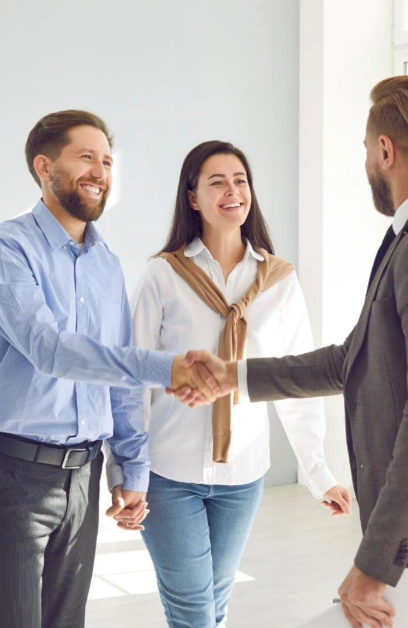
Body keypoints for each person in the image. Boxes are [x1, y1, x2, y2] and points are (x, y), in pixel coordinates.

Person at [180, 76, 408, 628]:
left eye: (368, 148)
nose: (367, 159)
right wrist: (235, 375)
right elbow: (354, 360)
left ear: (385, 150)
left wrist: (375, 563)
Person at [0, 110, 217, 628]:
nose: (100, 170)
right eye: (85, 157)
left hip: (83, 475)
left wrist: (131, 468)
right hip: (10, 474)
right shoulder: (6, 250)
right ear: (44, 167)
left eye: (106, 160)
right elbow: (49, 350)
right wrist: (167, 368)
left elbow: (117, 378)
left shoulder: (105, 264)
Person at [103, 140, 353, 628]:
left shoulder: (278, 281)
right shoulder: (163, 275)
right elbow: (131, 381)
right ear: (193, 198)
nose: (232, 190)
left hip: (244, 475)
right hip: (169, 473)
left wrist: (317, 471)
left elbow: (294, 377)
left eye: (240, 180)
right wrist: (125, 475)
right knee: (194, 613)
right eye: (216, 181)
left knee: (214, 608)